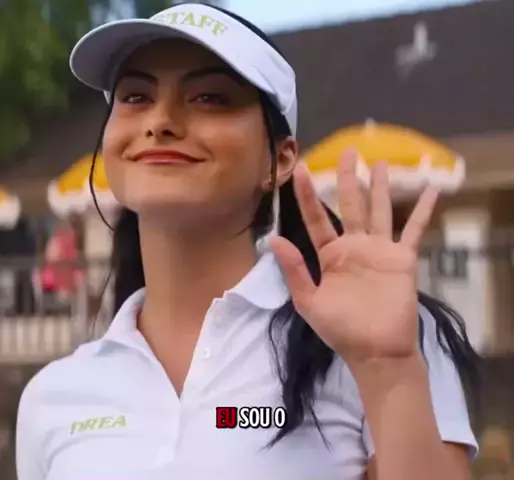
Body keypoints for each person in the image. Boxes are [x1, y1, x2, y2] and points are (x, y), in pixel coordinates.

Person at [15, 4, 480, 479]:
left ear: (280, 159)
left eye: (210, 97)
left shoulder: (375, 336)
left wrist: (390, 371)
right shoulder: (53, 397)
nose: (160, 121)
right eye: (135, 96)